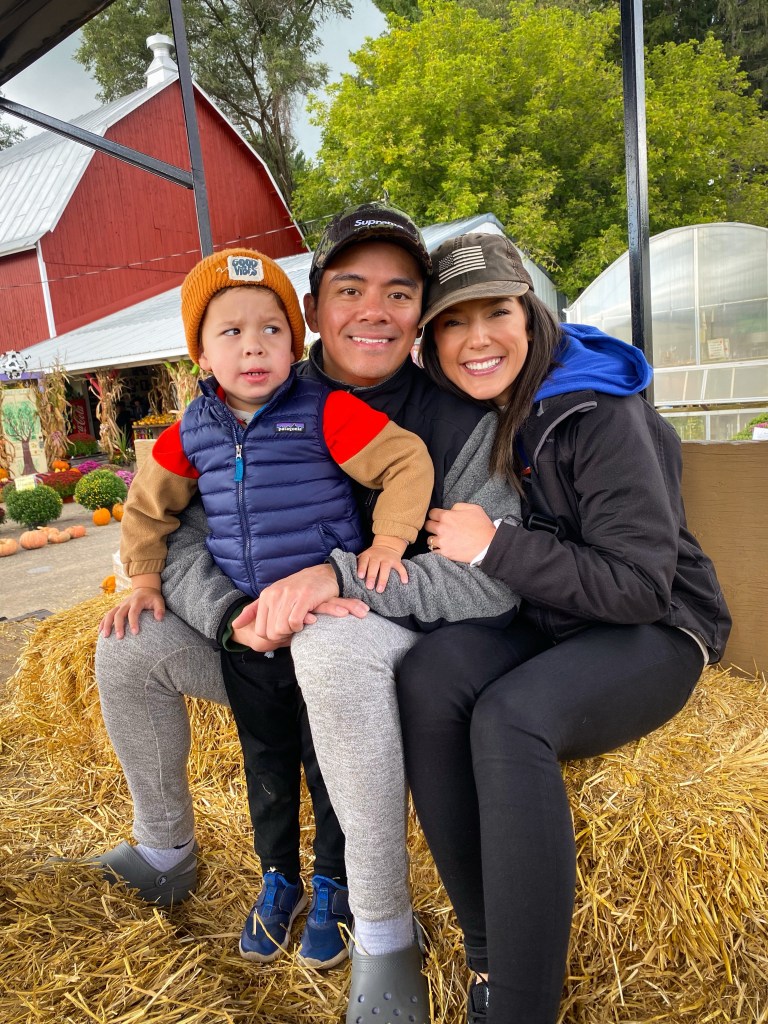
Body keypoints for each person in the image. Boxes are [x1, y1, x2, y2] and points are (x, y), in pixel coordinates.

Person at [91, 204, 520, 1007]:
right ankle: (165, 850)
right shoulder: (247, 394)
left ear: (420, 312)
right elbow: (177, 530)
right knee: (126, 644)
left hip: (390, 653)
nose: (373, 311)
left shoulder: (458, 420)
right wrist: (226, 614)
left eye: (399, 293)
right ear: (316, 308)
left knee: (328, 644)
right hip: (262, 642)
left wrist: (340, 579)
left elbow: (494, 579)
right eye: (350, 288)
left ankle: (383, 929)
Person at [391, 232, 732, 1024]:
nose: (477, 338)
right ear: (431, 340)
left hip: (655, 628)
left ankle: (522, 1008)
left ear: (532, 314)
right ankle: (489, 958)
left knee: (511, 719)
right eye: (453, 321)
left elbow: (641, 584)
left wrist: (498, 546)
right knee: (430, 677)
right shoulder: (483, 411)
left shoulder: (600, 410)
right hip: (546, 617)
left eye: (497, 313)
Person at [114, 244, 434, 967]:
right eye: (231, 333)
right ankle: (278, 877)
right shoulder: (189, 433)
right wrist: (140, 580)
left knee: (327, 764)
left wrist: (389, 540)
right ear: (200, 354)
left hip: (324, 629)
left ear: (298, 342)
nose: (253, 347)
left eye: (272, 330)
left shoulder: (326, 410)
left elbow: (407, 460)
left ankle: (333, 882)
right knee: (266, 760)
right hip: (249, 631)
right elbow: (146, 511)